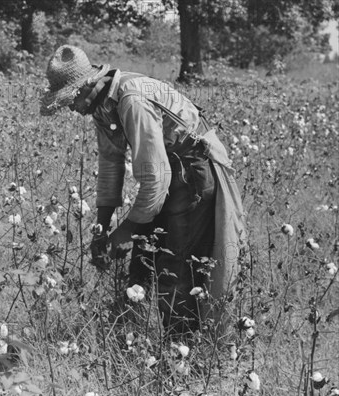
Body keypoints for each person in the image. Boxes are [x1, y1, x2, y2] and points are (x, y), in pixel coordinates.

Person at [40, 45, 246, 337]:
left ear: (87, 85)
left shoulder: (131, 99)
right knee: (143, 257)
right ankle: (132, 339)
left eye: (70, 99)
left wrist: (125, 232)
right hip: (171, 174)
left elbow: (156, 178)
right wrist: (103, 223)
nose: (72, 108)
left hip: (191, 174)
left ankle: (184, 355)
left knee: (174, 264)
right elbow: (111, 164)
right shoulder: (101, 103)